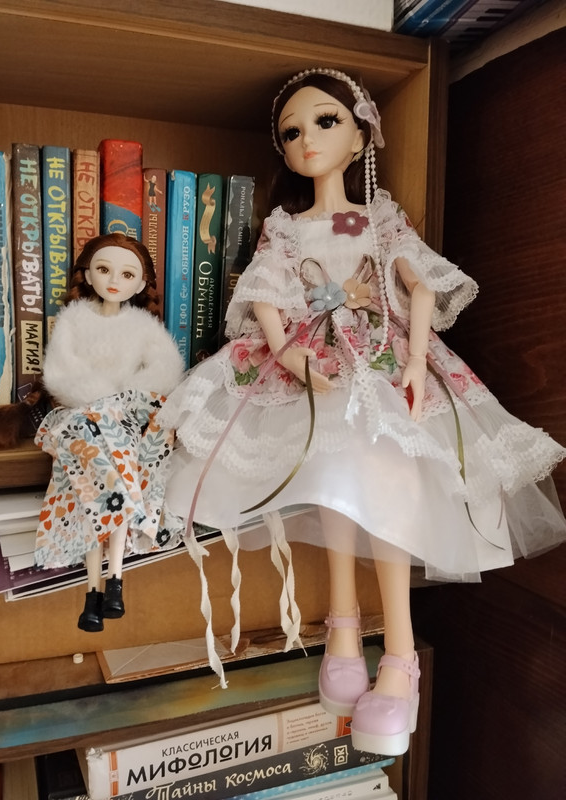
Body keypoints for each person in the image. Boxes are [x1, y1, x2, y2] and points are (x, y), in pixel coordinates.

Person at [157, 69, 566, 755]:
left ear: (360, 136)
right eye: (291, 131)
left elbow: (418, 284)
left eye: (326, 121)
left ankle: (400, 658)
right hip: (313, 366)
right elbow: (266, 295)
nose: (307, 139)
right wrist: (285, 353)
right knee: (334, 489)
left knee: (386, 485)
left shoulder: (379, 218)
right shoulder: (285, 227)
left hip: (378, 358)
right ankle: (342, 632)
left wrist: (415, 359)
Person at [33, 233, 184, 632]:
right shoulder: (75, 318)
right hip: (82, 417)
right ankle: (100, 588)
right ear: (87, 274)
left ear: (141, 284)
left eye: (127, 274)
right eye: (104, 269)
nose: (114, 280)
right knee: (99, 477)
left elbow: (167, 368)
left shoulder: (142, 325)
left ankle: (108, 585)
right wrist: (99, 399)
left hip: (123, 418)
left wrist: (126, 398)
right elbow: (60, 370)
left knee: (110, 475)